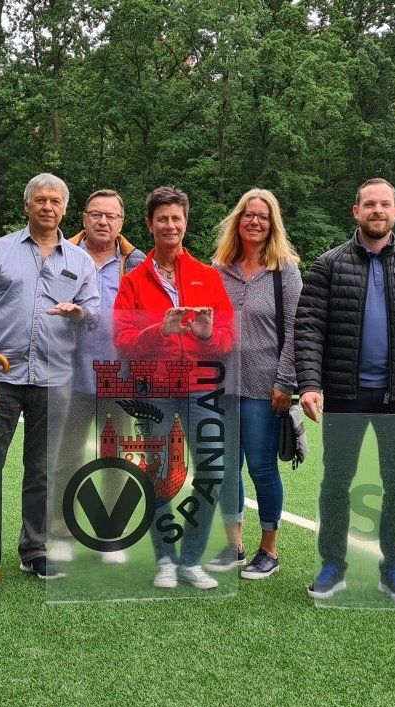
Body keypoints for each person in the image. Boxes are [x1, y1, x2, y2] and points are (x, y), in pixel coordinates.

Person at [295, 178, 395, 603]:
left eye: (384, 204)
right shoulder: (328, 265)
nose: (377, 210)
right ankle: (332, 565)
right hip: (344, 395)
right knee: (336, 483)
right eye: (369, 204)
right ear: (356, 211)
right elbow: (309, 329)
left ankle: (394, 567)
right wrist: (310, 383)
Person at [0, 173, 98, 587]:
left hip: (55, 379)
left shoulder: (80, 262)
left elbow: (94, 315)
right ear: (27, 206)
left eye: (55, 201)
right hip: (1, 377)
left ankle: (34, 550)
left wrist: (80, 314)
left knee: (42, 469)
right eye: (40, 200)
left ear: (65, 209)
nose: (48, 207)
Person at [113, 186, 236, 590]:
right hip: (156, 389)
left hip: (202, 388)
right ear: (149, 225)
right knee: (161, 473)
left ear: (186, 222)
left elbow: (227, 339)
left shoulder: (207, 276)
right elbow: (122, 340)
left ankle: (191, 560)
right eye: (162, 219)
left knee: (211, 472)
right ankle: (166, 557)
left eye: (176, 218)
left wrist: (206, 334)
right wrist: (159, 330)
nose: (170, 225)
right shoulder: (133, 281)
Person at [46, 189, 146, 566]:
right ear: (84, 218)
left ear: (122, 222)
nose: (103, 221)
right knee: (66, 456)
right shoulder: (61, 255)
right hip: (70, 376)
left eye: (111, 216)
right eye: (96, 214)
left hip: (120, 377)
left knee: (115, 457)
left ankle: (111, 533)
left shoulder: (136, 262)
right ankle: (61, 529)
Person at [209, 188, 301, 581]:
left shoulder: (286, 271)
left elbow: (296, 331)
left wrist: (285, 381)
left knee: (262, 468)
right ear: (238, 220)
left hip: (265, 389)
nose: (255, 221)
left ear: (273, 224)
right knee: (227, 469)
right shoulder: (218, 270)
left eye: (263, 216)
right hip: (221, 388)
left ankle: (269, 550)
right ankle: (235, 546)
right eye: (249, 214)